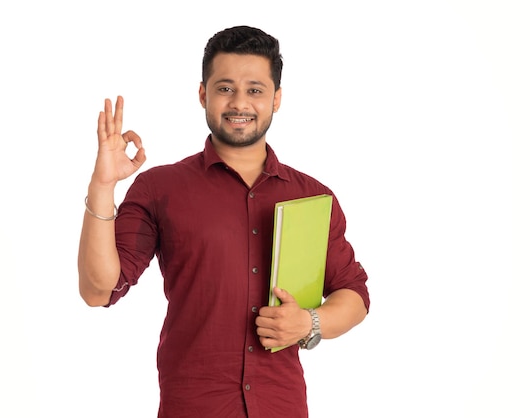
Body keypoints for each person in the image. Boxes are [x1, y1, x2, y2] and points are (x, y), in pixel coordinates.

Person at [78, 25, 370, 418]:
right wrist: (102, 186)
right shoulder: (160, 188)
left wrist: (308, 323)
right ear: (203, 94)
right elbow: (99, 290)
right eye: (225, 88)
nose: (239, 103)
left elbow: (353, 295)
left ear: (276, 99)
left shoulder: (312, 197)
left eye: (255, 90)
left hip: (281, 405)